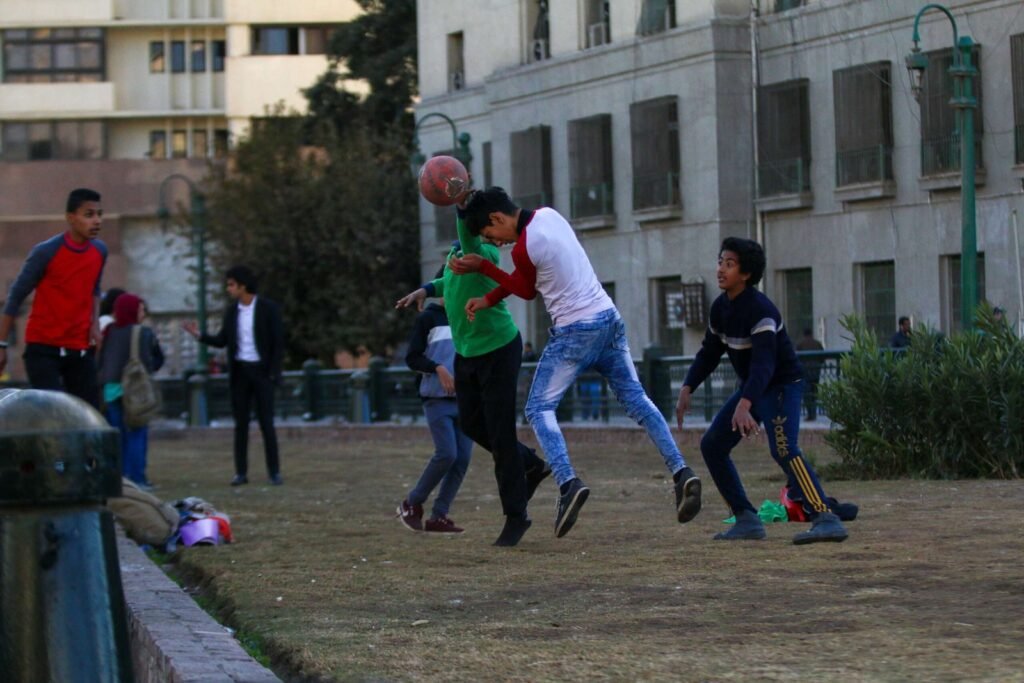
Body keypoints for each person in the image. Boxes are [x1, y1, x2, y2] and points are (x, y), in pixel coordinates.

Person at [449, 187, 701, 539]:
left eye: (490, 234)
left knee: (538, 409)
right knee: (638, 401)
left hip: (574, 331)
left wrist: (485, 267)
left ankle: (568, 482)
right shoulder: (550, 215)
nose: (496, 241)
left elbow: (525, 290)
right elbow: (524, 280)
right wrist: (489, 298)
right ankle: (681, 471)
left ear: (496, 219)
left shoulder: (524, 247)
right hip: (609, 318)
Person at [674, 237, 848, 544]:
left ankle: (826, 517)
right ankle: (746, 518)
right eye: (720, 262)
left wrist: (745, 403)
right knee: (713, 445)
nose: (720, 269)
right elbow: (709, 353)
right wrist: (688, 386)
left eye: (729, 264)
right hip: (753, 389)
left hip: (781, 385)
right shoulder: (720, 309)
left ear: (746, 273)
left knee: (784, 449)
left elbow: (765, 365)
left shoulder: (760, 310)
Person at [396, 230, 551, 547]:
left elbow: (466, 228)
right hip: (468, 357)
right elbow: (447, 282)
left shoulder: (484, 253)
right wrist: (424, 289)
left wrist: (462, 201)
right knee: (471, 426)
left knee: (497, 434)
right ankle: (531, 464)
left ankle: (515, 516)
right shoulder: (456, 260)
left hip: (499, 347)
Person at [0, 188, 107, 409]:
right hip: (43, 349)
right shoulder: (46, 252)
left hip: (79, 349)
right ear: (71, 218)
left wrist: (94, 324)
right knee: (54, 414)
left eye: (99, 214)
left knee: (90, 416)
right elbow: (15, 297)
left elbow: (94, 288)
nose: (96, 221)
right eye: (89, 215)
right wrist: (1, 345)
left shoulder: (99, 251)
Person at [183, 266, 285, 486]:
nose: (228, 289)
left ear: (243, 285)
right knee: (241, 425)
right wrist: (199, 335)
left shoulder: (268, 309)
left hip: (262, 372)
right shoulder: (232, 312)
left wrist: (273, 372)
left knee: (267, 423)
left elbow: (278, 344)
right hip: (240, 373)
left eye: (231, 284)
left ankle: (274, 471)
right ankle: (241, 472)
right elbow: (222, 340)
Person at [397, 274, 473, 534]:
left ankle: (439, 516)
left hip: (466, 400)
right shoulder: (427, 319)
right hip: (436, 399)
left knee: (462, 459)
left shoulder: (467, 316)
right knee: (447, 454)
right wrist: (438, 368)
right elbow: (412, 358)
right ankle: (411, 503)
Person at [98, 293, 164, 489]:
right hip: (134, 390)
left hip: (110, 389)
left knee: (117, 436)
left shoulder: (109, 331)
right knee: (136, 432)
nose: (143, 313)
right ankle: (137, 478)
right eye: (141, 309)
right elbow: (153, 360)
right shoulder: (142, 332)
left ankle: (120, 479)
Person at [795, 328, 824, 421]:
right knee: (814, 393)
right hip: (816, 371)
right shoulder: (817, 343)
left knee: (807, 394)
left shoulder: (800, 344)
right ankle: (814, 414)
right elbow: (822, 357)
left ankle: (810, 414)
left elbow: (796, 358)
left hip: (805, 372)